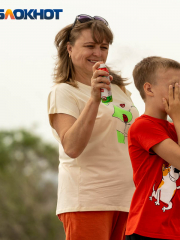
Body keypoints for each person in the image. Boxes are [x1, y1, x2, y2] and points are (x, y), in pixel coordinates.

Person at [47, 14, 139, 240]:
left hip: (130, 201)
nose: (98, 53)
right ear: (69, 49)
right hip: (88, 201)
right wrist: (94, 99)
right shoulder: (63, 92)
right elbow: (72, 147)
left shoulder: (117, 88)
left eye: (103, 47)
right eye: (90, 46)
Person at [125, 56, 180, 240]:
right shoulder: (143, 126)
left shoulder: (177, 128)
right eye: (174, 86)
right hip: (147, 230)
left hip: (176, 232)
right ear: (149, 88)